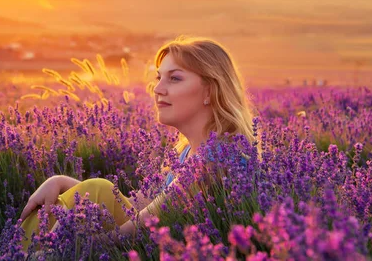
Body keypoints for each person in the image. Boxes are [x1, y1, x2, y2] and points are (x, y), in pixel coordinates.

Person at [19, 35, 259, 253]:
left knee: (94, 192)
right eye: (159, 78)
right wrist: (59, 182)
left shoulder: (217, 157)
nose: (158, 89)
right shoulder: (188, 152)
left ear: (210, 90)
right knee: (94, 191)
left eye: (174, 78)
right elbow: (138, 207)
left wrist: (68, 247)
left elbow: (137, 228)